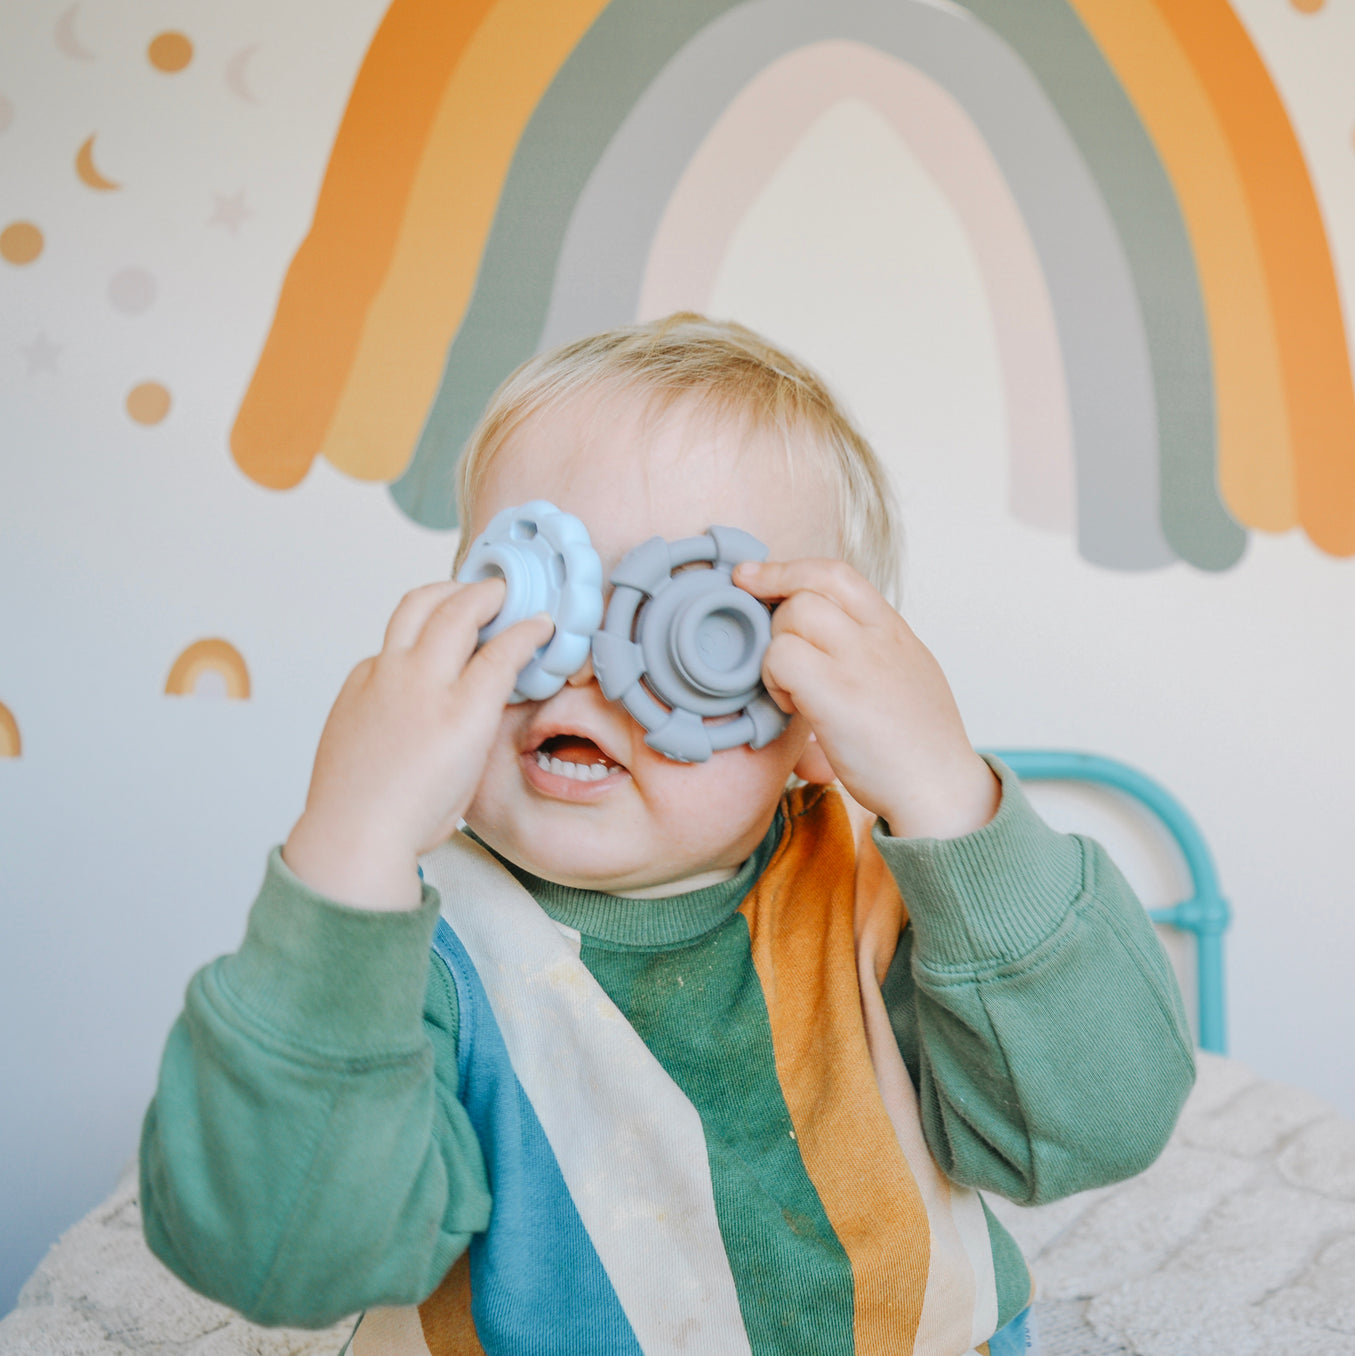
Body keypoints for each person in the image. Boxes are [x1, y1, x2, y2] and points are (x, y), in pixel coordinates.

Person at [140, 314, 1195, 1354]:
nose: (591, 669)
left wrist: (947, 796)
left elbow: (1096, 1125)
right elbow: (278, 1255)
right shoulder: (410, 950)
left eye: (686, 631)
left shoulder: (885, 903)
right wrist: (349, 849)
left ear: (814, 722)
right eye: (534, 601)